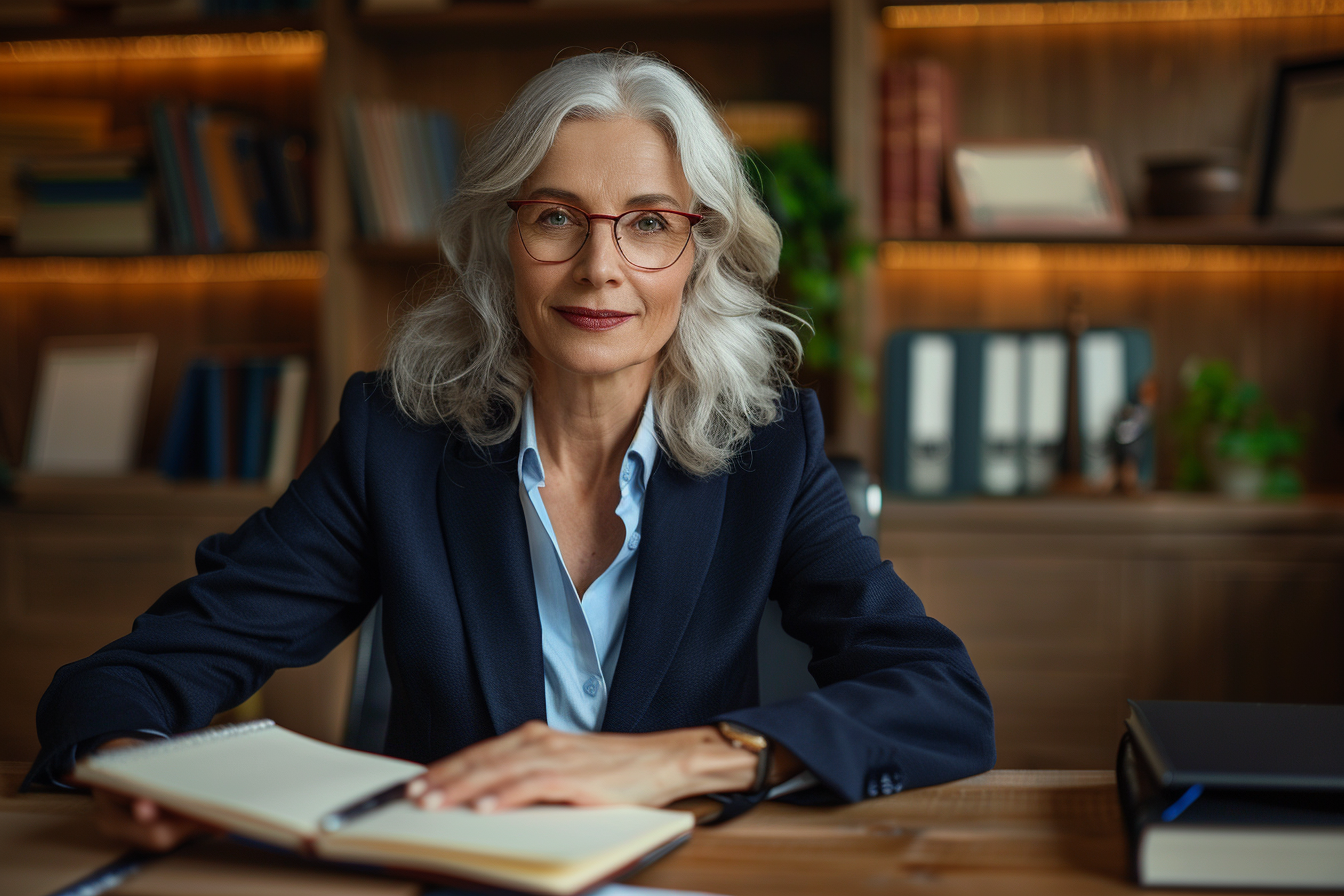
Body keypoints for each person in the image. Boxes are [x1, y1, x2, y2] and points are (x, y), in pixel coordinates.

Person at [25, 51, 995, 850]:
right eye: (557, 217)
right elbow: (134, 673)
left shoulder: (771, 450)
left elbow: (941, 700)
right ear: (502, 239)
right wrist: (127, 754)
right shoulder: (393, 441)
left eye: (650, 223)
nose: (600, 266)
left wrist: (691, 757)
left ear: (702, 252)